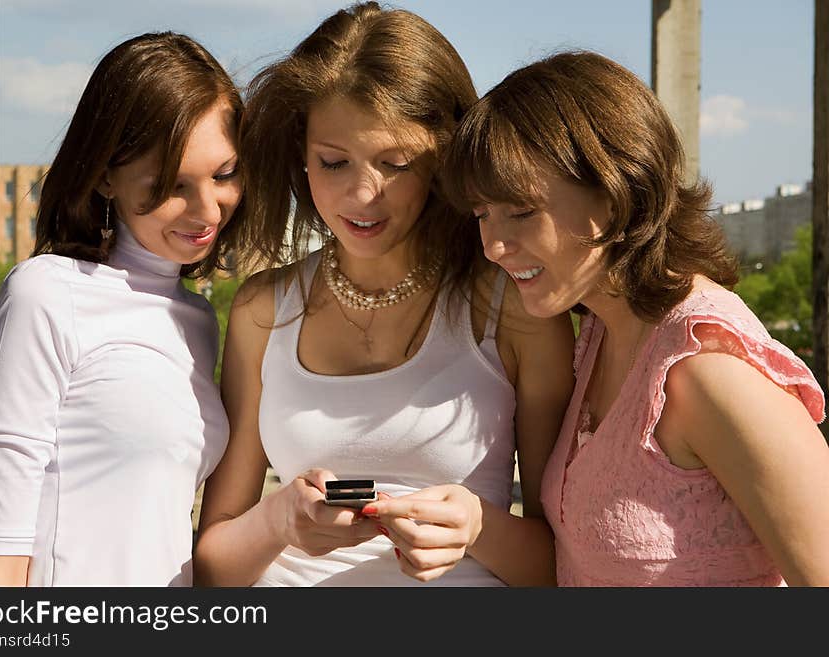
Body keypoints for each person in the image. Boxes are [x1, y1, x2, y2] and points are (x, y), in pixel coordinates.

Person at [193, 1, 574, 587]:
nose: (363, 195)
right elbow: (214, 567)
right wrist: (279, 521)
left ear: (443, 159)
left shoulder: (515, 309)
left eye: (395, 164)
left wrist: (476, 526)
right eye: (334, 162)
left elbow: (563, 566)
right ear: (301, 155)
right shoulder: (261, 309)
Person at [439, 50, 829, 586]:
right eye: (482, 215)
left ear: (616, 190)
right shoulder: (603, 329)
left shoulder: (710, 370)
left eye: (521, 211)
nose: (493, 245)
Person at [0, 31, 244, 586]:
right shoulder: (45, 294)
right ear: (106, 177)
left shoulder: (197, 320)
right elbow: (0, 539)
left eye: (224, 174)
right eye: (171, 184)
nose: (207, 208)